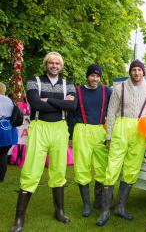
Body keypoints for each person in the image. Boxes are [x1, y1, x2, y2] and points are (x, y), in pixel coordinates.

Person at [10, 52, 77, 232]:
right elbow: (36, 104)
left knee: (58, 171)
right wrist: (61, 101)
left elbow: (72, 106)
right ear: (45, 64)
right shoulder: (34, 80)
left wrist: (48, 100)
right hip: (39, 127)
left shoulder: (68, 83)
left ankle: (59, 212)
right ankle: (19, 220)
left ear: (61, 66)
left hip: (60, 128)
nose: (54, 66)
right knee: (31, 171)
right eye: (51, 63)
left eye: (57, 63)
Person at [96, 59, 146, 226]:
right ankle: (105, 210)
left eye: (139, 70)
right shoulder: (119, 88)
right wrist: (108, 136)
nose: (137, 72)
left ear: (143, 72)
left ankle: (120, 207)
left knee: (132, 168)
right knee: (112, 167)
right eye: (134, 70)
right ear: (130, 72)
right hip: (121, 126)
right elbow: (111, 112)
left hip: (139, 129)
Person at [69, 64, 112, 217]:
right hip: (82, 129)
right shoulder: (77, 90)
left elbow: (116, 106)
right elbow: (70, 114)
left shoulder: (106, 91)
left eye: (97, 76)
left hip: (100, 130)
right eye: (92, 75)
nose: (95, 78)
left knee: (102, 167)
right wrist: (70, 134)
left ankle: (98, 200)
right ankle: (86, 204)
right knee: (82, 167)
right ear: (87, 76)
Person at [0, 82, 19, 182]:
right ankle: (1, 177)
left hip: (1, 128)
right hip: (8, 130)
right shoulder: (9, 100)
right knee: (3, 154)